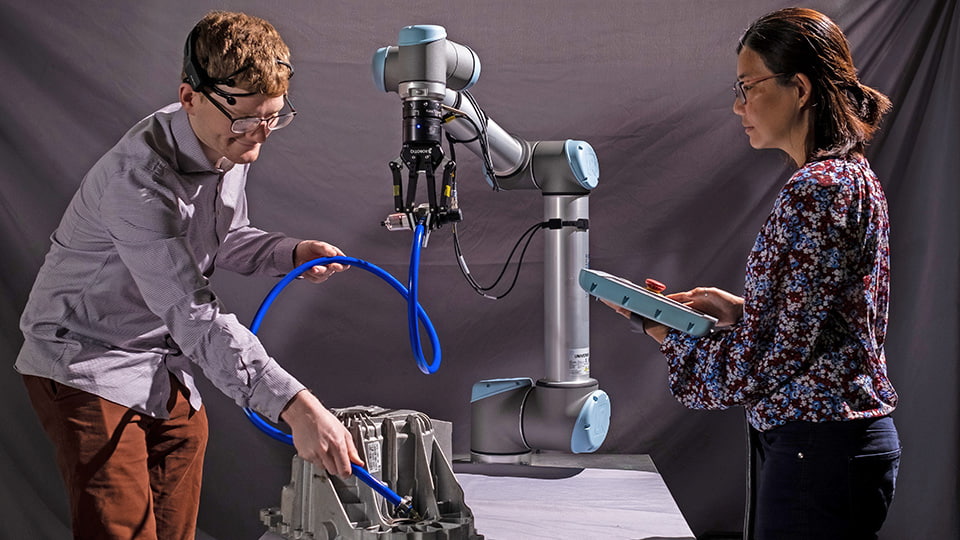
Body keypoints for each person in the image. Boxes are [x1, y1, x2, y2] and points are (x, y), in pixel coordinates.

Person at [16, 11, 362, 539]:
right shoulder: (137, 184)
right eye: (247, 121)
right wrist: (298, 408)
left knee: (186, 436)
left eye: (272, 118)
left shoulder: (228, 135)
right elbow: (192, 313)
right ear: (190, 96)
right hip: (86, 359)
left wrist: (290, 253)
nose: (260, 136)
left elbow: (224, 236)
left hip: (157, 355)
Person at [605, 8, 900, 540]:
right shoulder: (851, 177)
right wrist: (740, 309)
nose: (736, 105)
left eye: (747, 86)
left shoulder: (818, 189)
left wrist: (664, 333)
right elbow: (828, 322)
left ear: (801, 88)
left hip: (818, 450)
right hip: (835, 446)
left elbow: (774, 356)